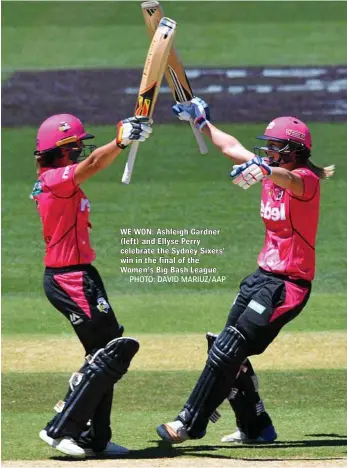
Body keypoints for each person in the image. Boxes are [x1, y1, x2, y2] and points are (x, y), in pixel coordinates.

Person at [157, 97, 335, 444]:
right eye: (267, 148)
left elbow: (288, 178)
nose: (267, 152)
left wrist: (267, 170)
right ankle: (256, 427)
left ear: (294, 150)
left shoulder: (305, 180)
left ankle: (189, 422)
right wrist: (201, 122)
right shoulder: (270, 170)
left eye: (274, 147)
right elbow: (232, 146)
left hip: (289, 286)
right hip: (261, 278)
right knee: (223, 348)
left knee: (229, 347)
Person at [31, 113, 152, 457]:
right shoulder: (55, 179)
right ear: (62, 150)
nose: (83, 150)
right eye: (77, 146)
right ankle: (61, 428)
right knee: (111, 351)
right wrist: (121, 141)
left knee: (105, 353)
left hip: (80, 273)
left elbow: (92, 164)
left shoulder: (57, 180)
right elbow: (97, 162)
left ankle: (95, 437)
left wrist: (123, 141)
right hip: (68, 277)